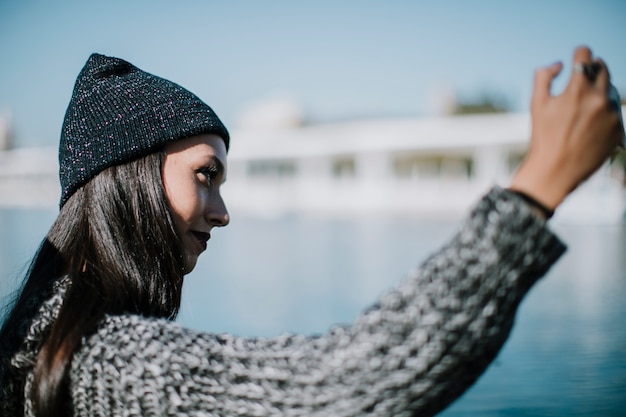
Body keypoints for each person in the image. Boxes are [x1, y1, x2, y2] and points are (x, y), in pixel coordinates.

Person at [0, 45, 622, 417]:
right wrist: (538, 185)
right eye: (206, 175)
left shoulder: (40, 340)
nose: (222, 211)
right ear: (126, 178)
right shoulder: (95, 366)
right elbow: (343, 384)